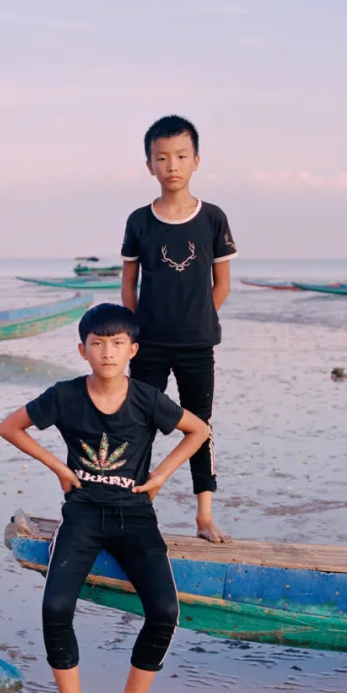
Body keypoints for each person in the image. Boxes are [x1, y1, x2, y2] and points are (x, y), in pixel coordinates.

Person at [0, 303, 210, 693]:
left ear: (133, 349)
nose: (107, 353)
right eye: (98, 344)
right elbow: (10, 427)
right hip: (83, 513)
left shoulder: (147, 398)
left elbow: (199, 430)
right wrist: (59, 468)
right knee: (56, 606)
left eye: (117, 344)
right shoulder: (65, 395)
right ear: (82, 350)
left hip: (135, 517)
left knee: (165, 609)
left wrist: (160, 476)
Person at [121, 114, 237, 544]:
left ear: (196, 161)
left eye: (181, 156)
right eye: (162, 157)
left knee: (200, 426)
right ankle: (136, 508)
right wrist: (132, 333)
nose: (172, 165)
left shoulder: (212, 219)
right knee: (139, 424)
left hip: (196, 346)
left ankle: (204, 516)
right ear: (149, 165)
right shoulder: (139, 221)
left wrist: (199, 319)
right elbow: (128, 284)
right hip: (147, 344)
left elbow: (221, 284)